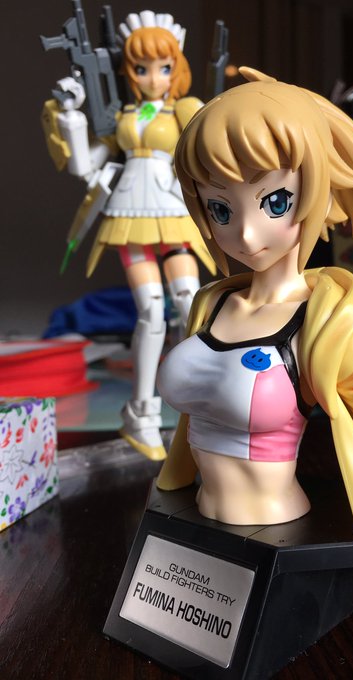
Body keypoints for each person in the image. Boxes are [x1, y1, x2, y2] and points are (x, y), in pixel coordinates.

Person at [156, 67, 353, 531]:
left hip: (277, 518)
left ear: (319, 194)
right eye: (221, 209)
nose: (246, 234)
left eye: (275, 202)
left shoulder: (326, 323)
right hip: (201, 517)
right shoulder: (212, 304)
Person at [43, 11, 216, 461]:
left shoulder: (184, 110)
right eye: (141, 68)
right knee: (151, 312)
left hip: (172, 212)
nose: (153, 78)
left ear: (176, 68)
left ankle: (204, 409)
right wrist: (70, 114)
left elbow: (211, 151)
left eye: (164, 67)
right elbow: (84, 166)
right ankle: (141, 413)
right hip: (129, 215)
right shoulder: (121, 116)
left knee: (191, 304)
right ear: (128, 71)